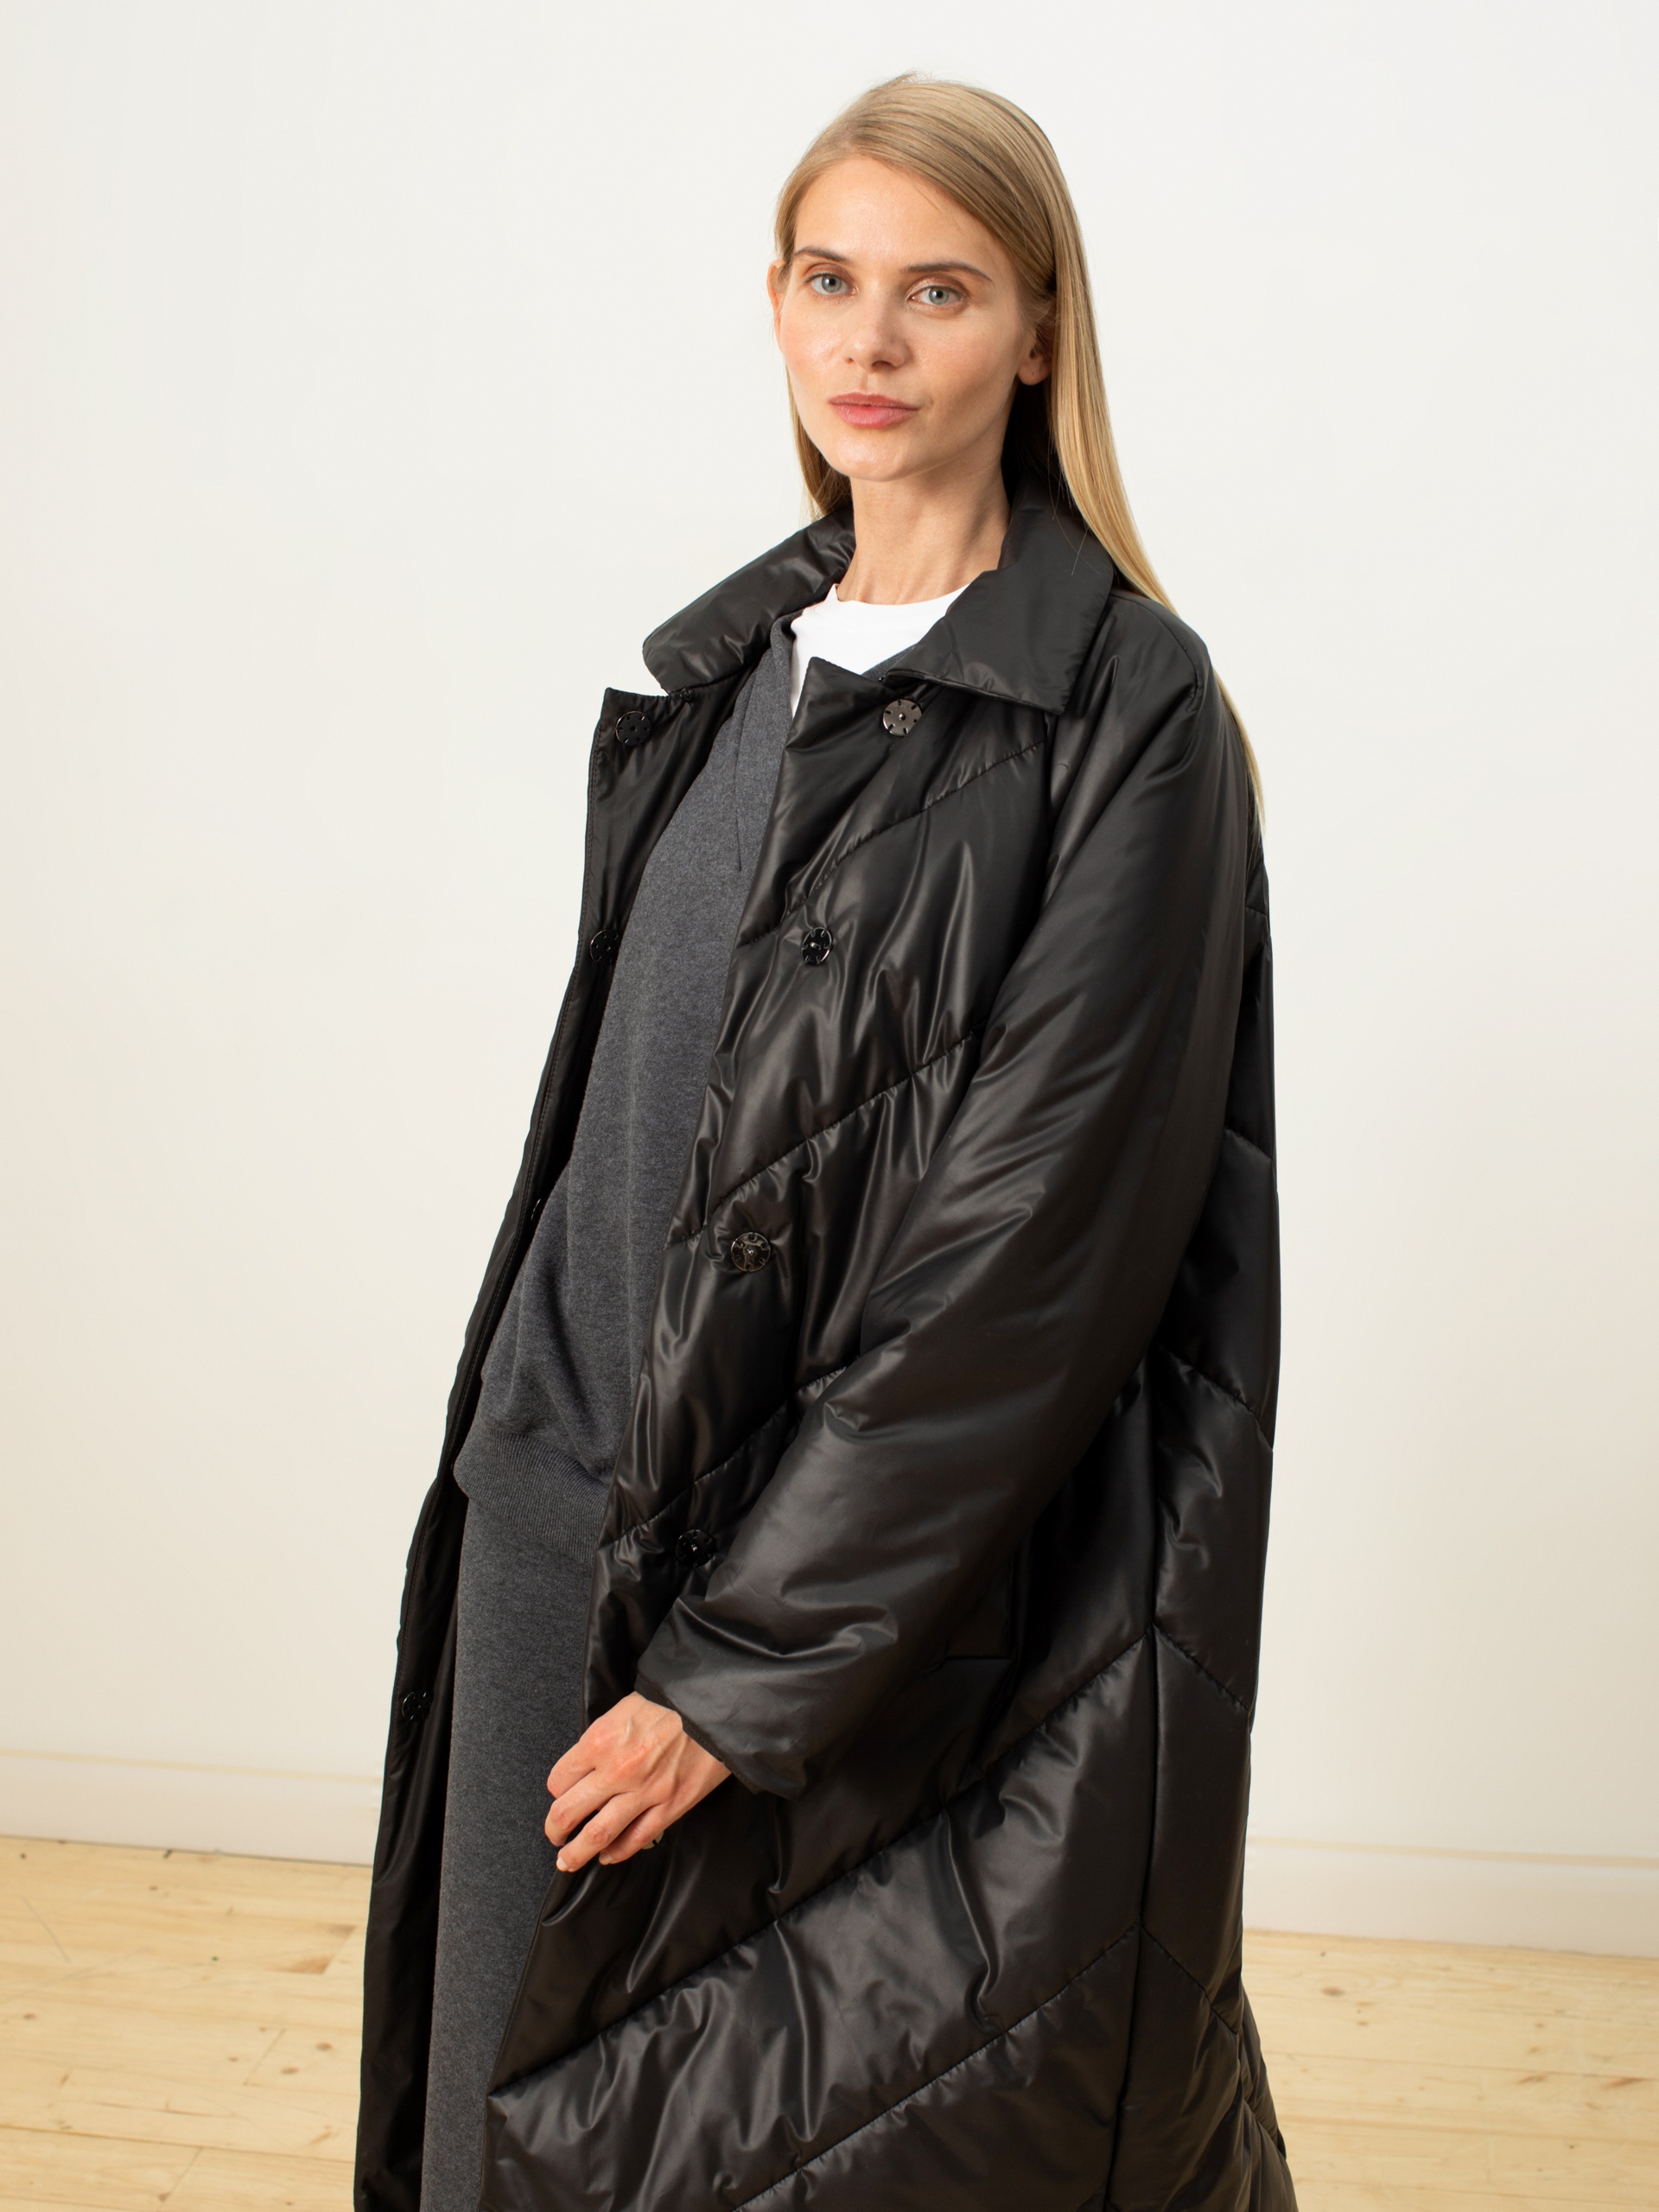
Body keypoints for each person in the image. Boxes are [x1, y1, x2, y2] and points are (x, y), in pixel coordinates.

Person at [355, 73, 1294, 2212]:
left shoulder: (1127, 711)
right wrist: (530, 1480)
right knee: (494, 2124)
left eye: (938, 291)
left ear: (1037, 331)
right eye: (827, 279)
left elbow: (1034, 1261)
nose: (869, 341)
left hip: (846, 1605)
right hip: (550, 1516)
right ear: (775, 302)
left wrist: (737, 1669)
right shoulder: (719, 676)